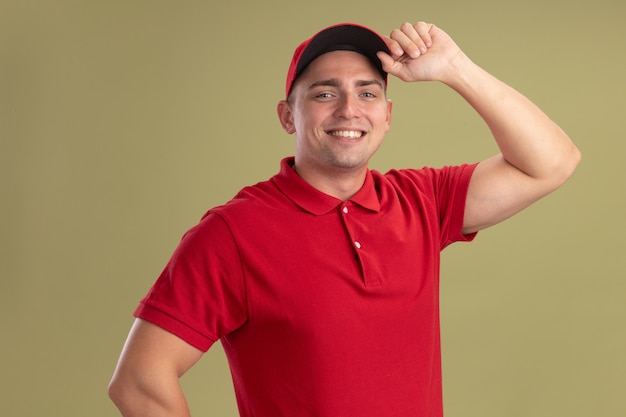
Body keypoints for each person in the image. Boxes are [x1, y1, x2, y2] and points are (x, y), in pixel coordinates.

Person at [108, 21, 581, 417]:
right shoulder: (233, 234)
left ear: (387, 115)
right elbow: (138, 383)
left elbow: (553, 161)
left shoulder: (422, 201)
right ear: (287, 116)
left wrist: (456, 69)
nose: (349, 110)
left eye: (367, 92)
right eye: (324, 93)